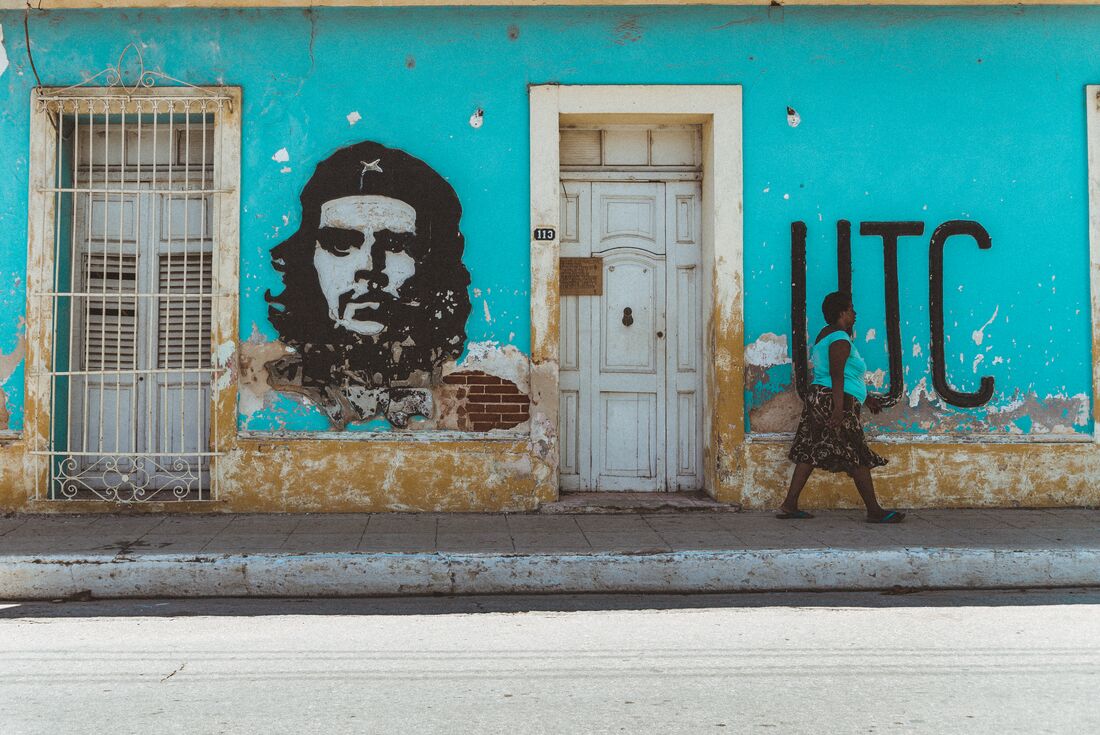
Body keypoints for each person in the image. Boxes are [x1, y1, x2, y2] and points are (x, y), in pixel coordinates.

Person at [265, 141, 472, 428]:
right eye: (341, 244)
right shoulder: (283, 390)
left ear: (430, 262)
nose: (370, 269)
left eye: (396, 245)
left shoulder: (460, 388)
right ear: (307, 260)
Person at [779, 291, 905, 523]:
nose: (855, 314)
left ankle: (790, 504)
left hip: (821, 397)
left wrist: (866, 398)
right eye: (851, 309)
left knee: (810, 449)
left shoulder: (825, 335)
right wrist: (838, 410)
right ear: (842, 312)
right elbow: (837, 375)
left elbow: (843, 374)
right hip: (834, 400)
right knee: (856, 451)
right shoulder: (839, 338)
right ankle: (874, 511)